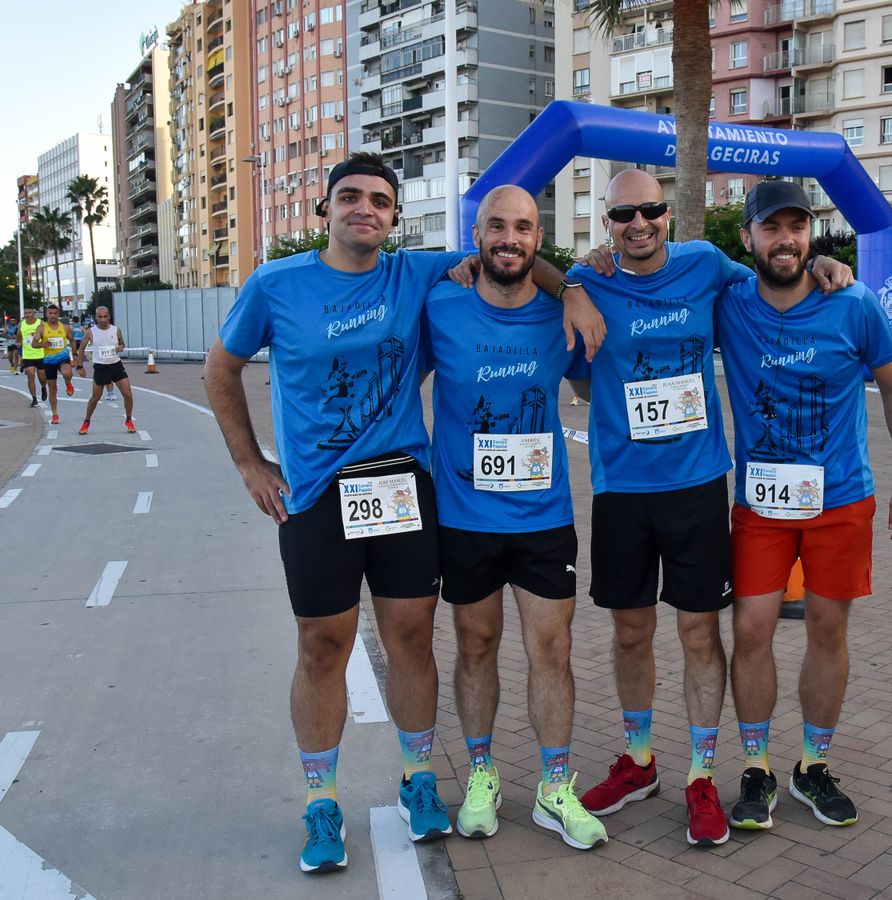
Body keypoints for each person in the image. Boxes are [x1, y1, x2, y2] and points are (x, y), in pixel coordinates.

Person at [204, 153, 602, 875]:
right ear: (324, 210)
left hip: (399, 485)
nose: (366, 209)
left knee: (412, 638)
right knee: (322, 644)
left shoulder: (416, 273)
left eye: (380, 201)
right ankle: (320, 799)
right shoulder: (276, 284)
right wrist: (249, 462)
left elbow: (513, 255)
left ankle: (421, 780)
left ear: (394, 217)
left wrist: (572, 288)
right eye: (350, 197)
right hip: (319, 492)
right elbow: (219, 368)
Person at [567, 169, 853, 848]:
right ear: (605, 223)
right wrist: (574, 283)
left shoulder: (705, 264)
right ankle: (639, 761)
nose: (637, 223)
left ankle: (701, 773)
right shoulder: (591, 277)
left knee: (701, 635)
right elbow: (563, 339)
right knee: (631, 633)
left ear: (669, 215)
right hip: (621, 491)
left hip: (697, 486)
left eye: (651, 210)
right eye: (622, 214)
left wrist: (825, 262)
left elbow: (776, 267)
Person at [717, 182, 892, 832]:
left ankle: (812, 764)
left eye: (797, 227)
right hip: (761, 503)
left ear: (811, 234)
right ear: (747, 238)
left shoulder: (853, 302)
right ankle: (756, 767)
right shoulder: (727, 303)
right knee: (750, 629)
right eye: (771, 228)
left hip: (841, 500)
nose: (786, 240)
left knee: (827, 630)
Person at [423, 186, 605, 850]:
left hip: (542, 517)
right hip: (464, 519)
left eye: (523, 227)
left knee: (551, 650)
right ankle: (481, 774)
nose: (510, 238)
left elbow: (590, 387)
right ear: (477, 236)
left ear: (538, 238)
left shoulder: (564, 312)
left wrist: (578, 289)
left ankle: (555, 787)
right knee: (475, 646)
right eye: (497, 226)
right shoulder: (440, 303)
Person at [76, 306, 136, 435]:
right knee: (95, 398)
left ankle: (129, 419)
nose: (103, 319)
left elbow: (122, 344)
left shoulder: (116, 330)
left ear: (109, 317)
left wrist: (121, 347)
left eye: (105, 316)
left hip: (116, 365)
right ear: (96, 318)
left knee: (128, 394)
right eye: (100, 317)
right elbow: (81, 349)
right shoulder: (90, 332)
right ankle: (86, 421)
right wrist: (79, 366)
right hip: (100, 367)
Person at [32, 305, 77, 417]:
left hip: (63, 358)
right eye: (50, 313)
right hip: (49, 361)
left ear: (58, 314)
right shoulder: (41, 328)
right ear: (46, 314)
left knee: (67, 372)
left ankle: (68, 382)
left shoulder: (65, 327)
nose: (52, 316)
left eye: (55, 313)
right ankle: (55, 414)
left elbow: (72, 340)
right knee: (53, 389)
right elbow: (34, 343)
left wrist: (75, 355)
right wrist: (43, 344)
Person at [18, 307, 44, 406]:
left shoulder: (40, 323)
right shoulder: (22, 324)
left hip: (40, 353)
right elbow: (19, 335)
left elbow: (45, 335)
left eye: (29, 312)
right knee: (30, 376)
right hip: (28, 355)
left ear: (34, 314)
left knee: (42, 376)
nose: (27, 314)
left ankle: (43, 387)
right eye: (26, 313)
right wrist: (19, 342)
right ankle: (34, 398)